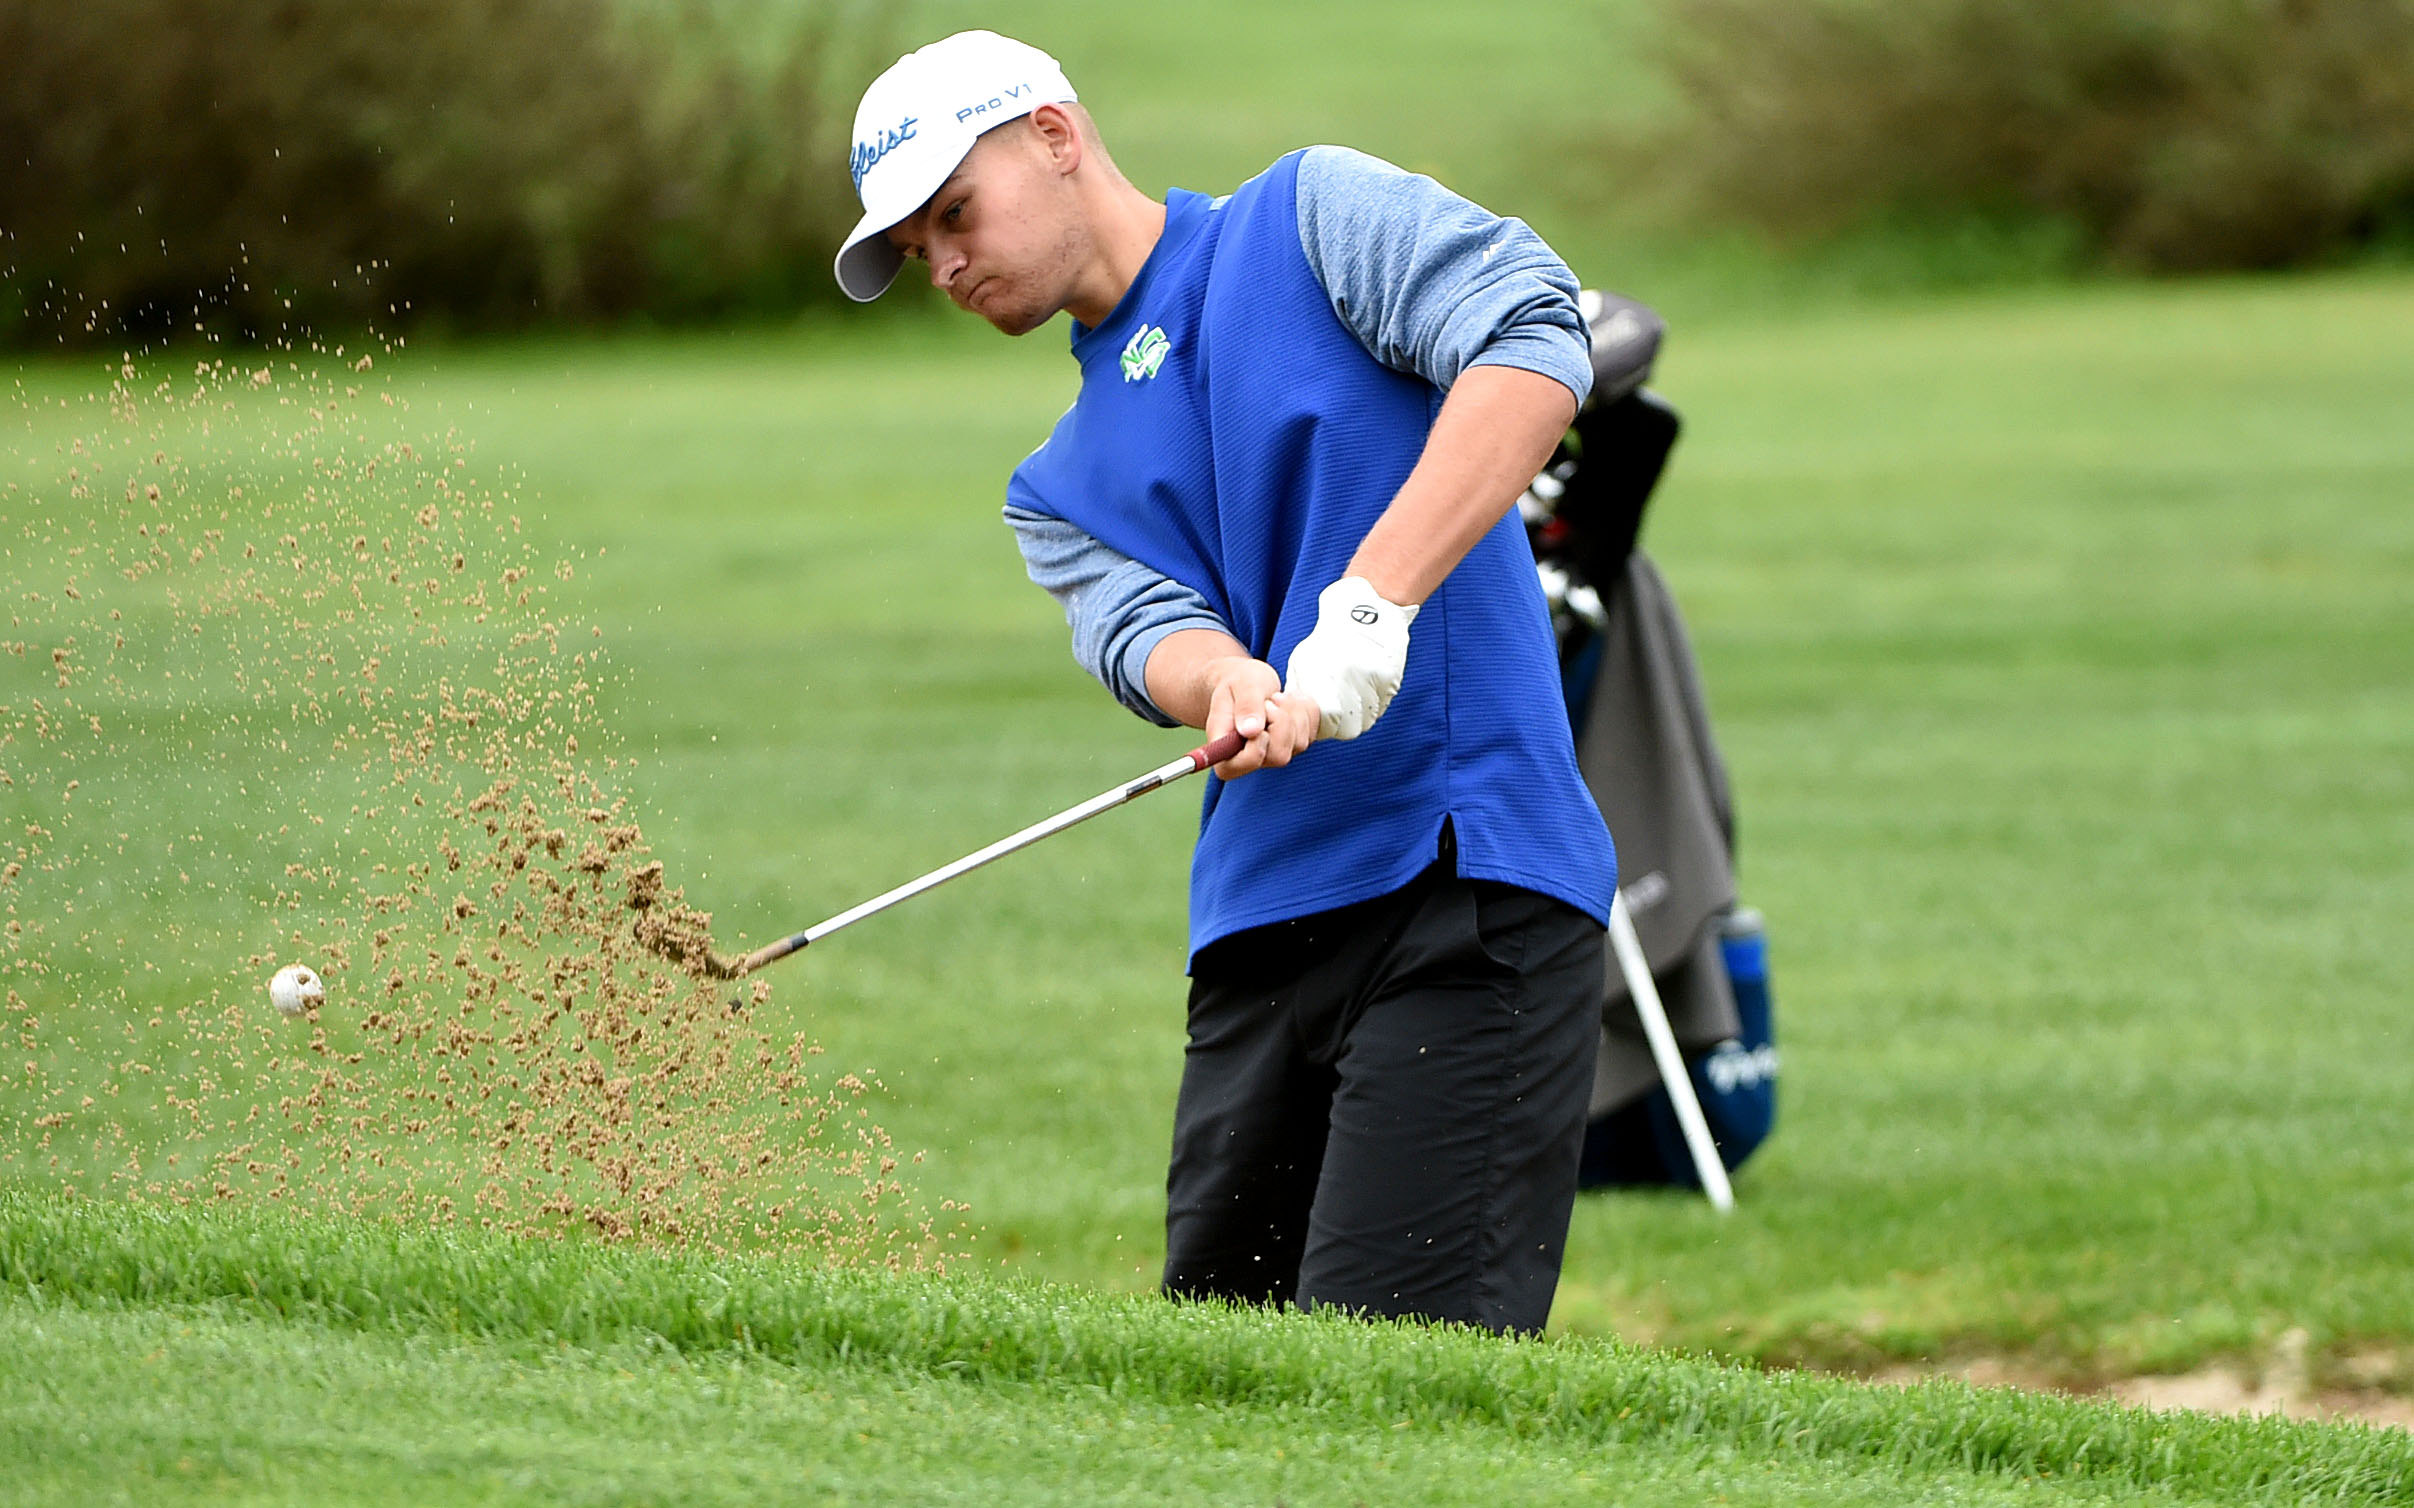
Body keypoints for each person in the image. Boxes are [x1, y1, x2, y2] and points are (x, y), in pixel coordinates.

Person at [834, 31, 1616, 1335]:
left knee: (1392, 1399)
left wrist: (1370, 604)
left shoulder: (1308, 222)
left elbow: (1533, 339)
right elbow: (1146, 632)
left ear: (1052, 133)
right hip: (1257, 941)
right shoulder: (1055, 486)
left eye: (952, 214)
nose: (947, 264)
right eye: (918, 253)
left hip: (1461, 890)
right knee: (1216, 1396)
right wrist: (1226, 684)